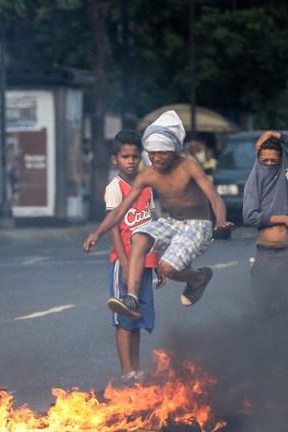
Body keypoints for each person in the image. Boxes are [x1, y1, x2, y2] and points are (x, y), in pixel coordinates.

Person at [83, 110, 231, 319]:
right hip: (172, 223)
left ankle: (198, 278)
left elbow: (214, 198)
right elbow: (119, 210)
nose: (156, 158)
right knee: (139, 236)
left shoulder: (189, 167)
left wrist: (221, 220)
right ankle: (131, 299)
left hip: (199, 225)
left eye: (162, 152)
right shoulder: (148, 174)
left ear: (174, 151)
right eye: (152, 153)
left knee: (167, 268)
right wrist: (96, 234)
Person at [88, 131, 159, 381]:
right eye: (125, 156)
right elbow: (115, 229)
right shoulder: (115, 188)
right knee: (123, 318)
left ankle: (136, 370)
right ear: (114, 160)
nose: (131, 161)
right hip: (124, 262)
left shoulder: (147, 185)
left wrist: (158, 262)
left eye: (135, 156)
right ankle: (127, 371)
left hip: (146, 262)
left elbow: (153, 223)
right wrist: (127, 264)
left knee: (136, 316)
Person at [243, 131, 288, 318]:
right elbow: (249, 216)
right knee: (264, 306)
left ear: (281, 159)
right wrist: (283, 219)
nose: (270, 164)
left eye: (274, 160)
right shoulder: (254, 181)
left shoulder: (287, 171)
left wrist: (274, 134)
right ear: (259, 159)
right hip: (265, 253)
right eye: (265, 160)